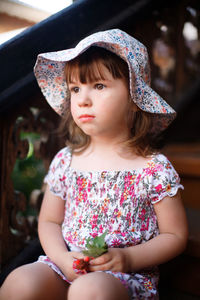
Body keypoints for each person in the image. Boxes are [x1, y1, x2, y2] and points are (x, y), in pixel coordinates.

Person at [0, 29, 188, 300]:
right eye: (75, 88)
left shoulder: (153, 168)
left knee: (90, 292)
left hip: (123, 276)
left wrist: (127, 258)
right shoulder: (66, 160)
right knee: (20, 283)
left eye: (99, 86)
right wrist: (63, 259)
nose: (83, 99)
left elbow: (175, 235)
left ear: (135, 99)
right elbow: (50, 221)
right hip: (67, 266)